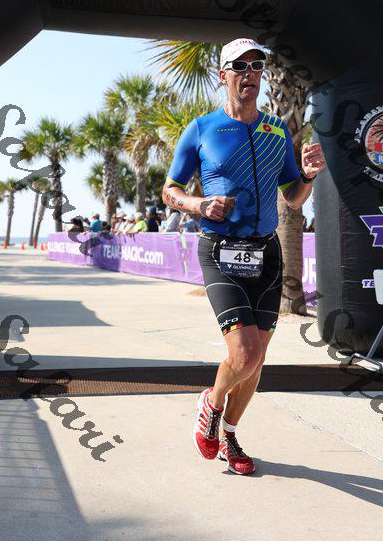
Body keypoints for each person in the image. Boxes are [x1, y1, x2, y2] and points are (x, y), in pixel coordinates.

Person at [162, 38, 326, 475]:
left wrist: (308, 175)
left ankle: (229, 434)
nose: (250, 73)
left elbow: (293, 197)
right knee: (245, 353)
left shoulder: (276, 131)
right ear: (224, 75)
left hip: (266, 254)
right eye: (240, 66)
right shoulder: (202, 128)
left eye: (257, 65)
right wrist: (198, 205)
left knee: (256, 360)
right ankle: (211, 403)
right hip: (220, 250)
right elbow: (170, 190)